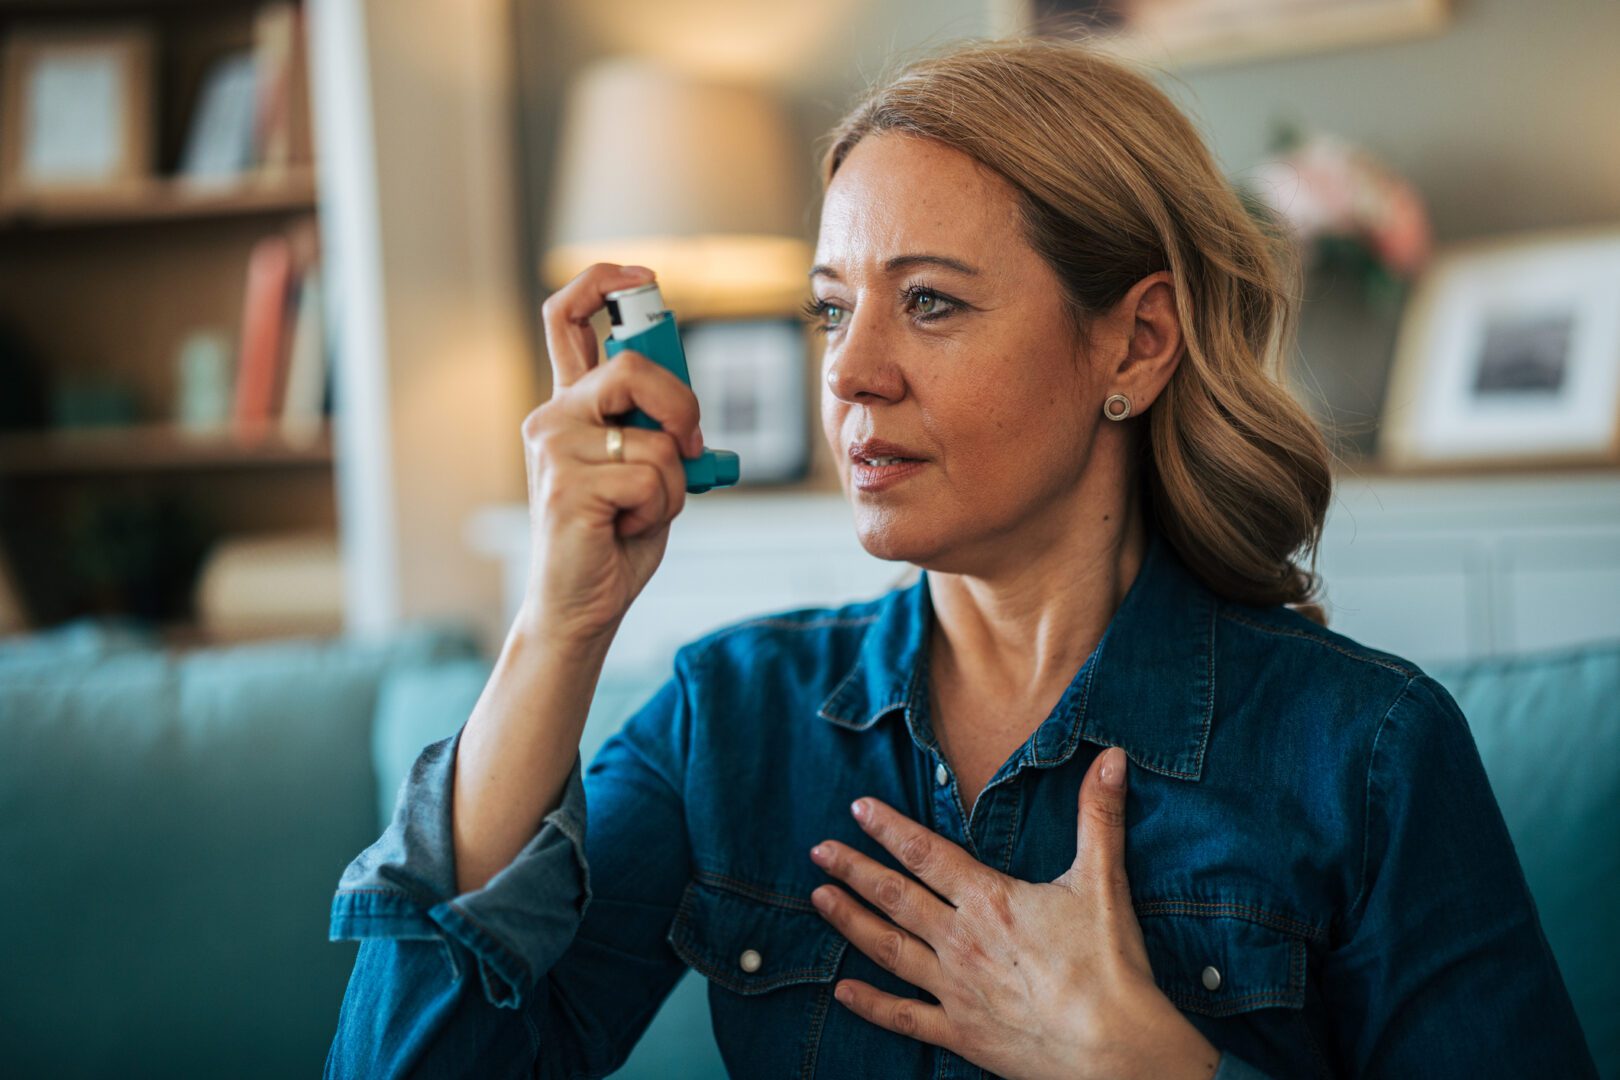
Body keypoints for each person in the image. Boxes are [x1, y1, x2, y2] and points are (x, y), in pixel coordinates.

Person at [324, 36, 1599, 1080]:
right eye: (834, 306)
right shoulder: (732, 719)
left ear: (1136, 344)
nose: (851, 372)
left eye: (928, 301)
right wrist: (559, 624)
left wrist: (1160, 1072)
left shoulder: (1369, 754)